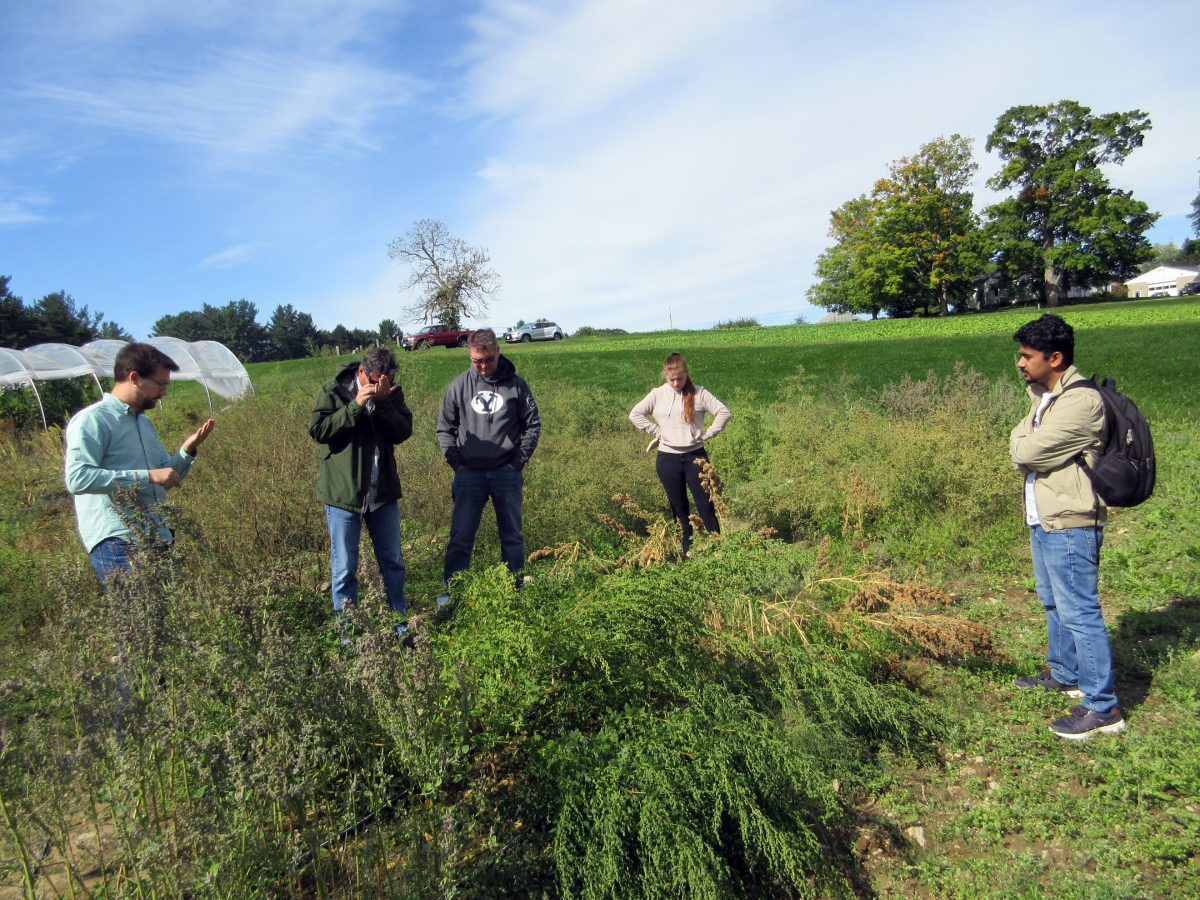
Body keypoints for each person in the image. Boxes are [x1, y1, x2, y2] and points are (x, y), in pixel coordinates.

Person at [1009, 314, 1125, 740]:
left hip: (1071, 519)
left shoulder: (1080, 402)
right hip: (1045, 515)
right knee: (1053, 602)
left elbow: (1028, 451)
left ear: (1054, 357)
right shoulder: (1045, 397)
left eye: (1027, 356)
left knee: (1079, 609)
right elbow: (1021, 442)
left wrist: (1024, 447)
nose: (1020, 363)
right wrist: (1025, 441)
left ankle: (1103, 706)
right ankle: (1064, 673)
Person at [65, 342, 216, 584]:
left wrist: (187, 450)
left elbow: (164, 478)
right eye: (161, 384)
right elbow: (78, 478)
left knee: (166, 618)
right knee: (140, 620)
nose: (164, 392)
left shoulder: (143, 423)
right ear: (134, 377)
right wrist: (147, 476)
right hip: (120, 541)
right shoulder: (93, 420)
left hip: (157, 535)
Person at [309, 347, 414, 639]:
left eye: (389, 380)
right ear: (361, 373)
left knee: (392, 563)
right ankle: (349, 637)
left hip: (381, 493)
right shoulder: (333, 390)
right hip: (344, 495)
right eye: (377, 380)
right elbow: (318, 430)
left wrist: (383, 404)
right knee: (345, 568)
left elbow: (403, 431)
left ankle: (400, 626)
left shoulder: (390, 393)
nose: (383, 385)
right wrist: (356, 405)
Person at [436, 328, 540, 599]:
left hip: (506, 473)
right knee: (460, 538)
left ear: (498, 352)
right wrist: (457, 465)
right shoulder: (459, 386)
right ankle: (453, 596)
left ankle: (514, 593)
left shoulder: (516, 385)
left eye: (487, 360)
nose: (482, 366)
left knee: (512, 537)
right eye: (476, 361)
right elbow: (444, 429)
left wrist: (517, 462)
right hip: (469, 475)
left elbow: (533, 425)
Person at [629, 353, 731, 555]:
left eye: (680, 378)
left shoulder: (700, 393)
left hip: (695, 458)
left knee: (706, 506)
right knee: (679, 510)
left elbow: (724, 412)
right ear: (665, 376)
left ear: (686, 374)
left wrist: (708, 433)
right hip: (668, 459)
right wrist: (657, 431)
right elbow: (635, 414)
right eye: (671, 379)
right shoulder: (657, 394)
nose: (676, 383)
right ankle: (687, 552)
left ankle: (718, 552)